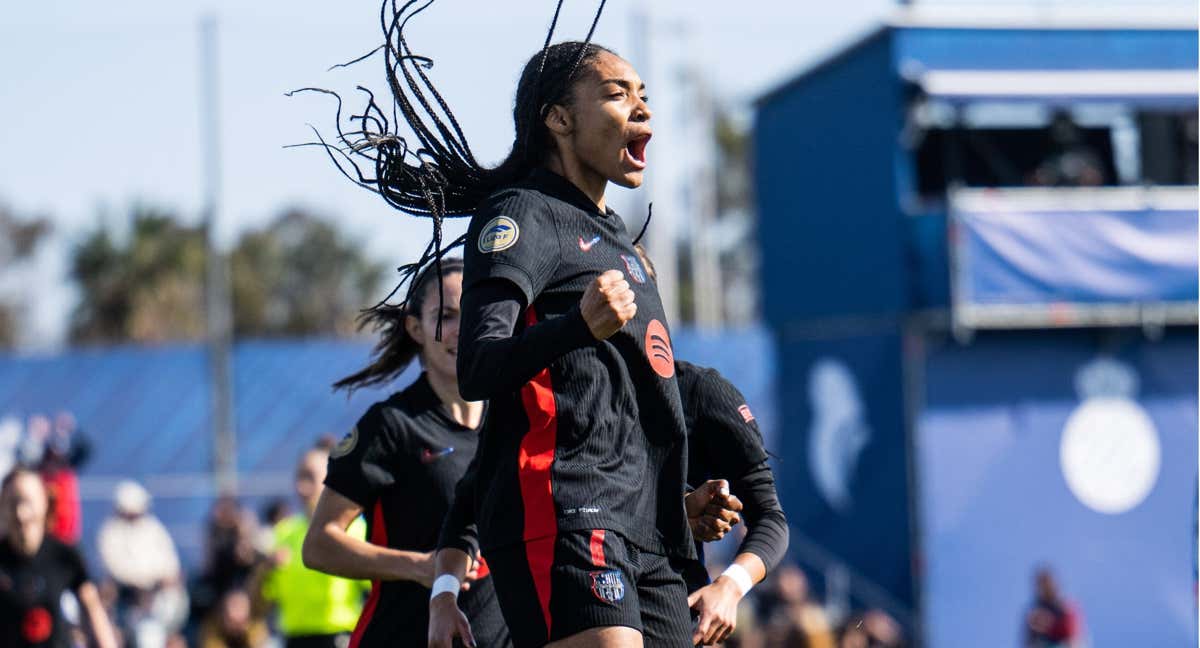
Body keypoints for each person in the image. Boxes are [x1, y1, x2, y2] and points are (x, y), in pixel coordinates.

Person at [301, 259, 511, 647]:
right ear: (415, 328)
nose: (462, 329)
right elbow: (318, 546)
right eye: (446, 316)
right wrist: (420, 567)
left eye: (474, 313)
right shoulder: (391, 425)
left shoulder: (513, 419)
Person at [252, 445, 368, 648]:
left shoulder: (355, 530)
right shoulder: (282, 533)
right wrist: (263, 571)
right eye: (299, 477)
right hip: (294, 640)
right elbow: (256, 609)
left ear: (329, 481)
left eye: (310, 477)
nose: (301, 487)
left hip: (339, 638)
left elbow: (379, 590)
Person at [0, 467, 117, 648]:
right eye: (12, 503)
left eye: (27, 502)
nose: (21, 514)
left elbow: (91, 607)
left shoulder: (64, 555)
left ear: (44, 502)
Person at [97, 479, 188, 648]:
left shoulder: (153, 528)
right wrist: (143, 585)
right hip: (129, 598)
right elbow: (116, 569)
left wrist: (163, 581)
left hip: (161, 596)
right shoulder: (111, 532)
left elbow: (170, 563)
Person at [1023, 567, 1084, 648]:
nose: (1044, 588)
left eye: (1046, 583)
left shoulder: (1065, 606)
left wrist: (1050, 626)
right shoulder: (1035, 612)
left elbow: (1072, 632)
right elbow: (1029, 641)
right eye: (1041, 584)